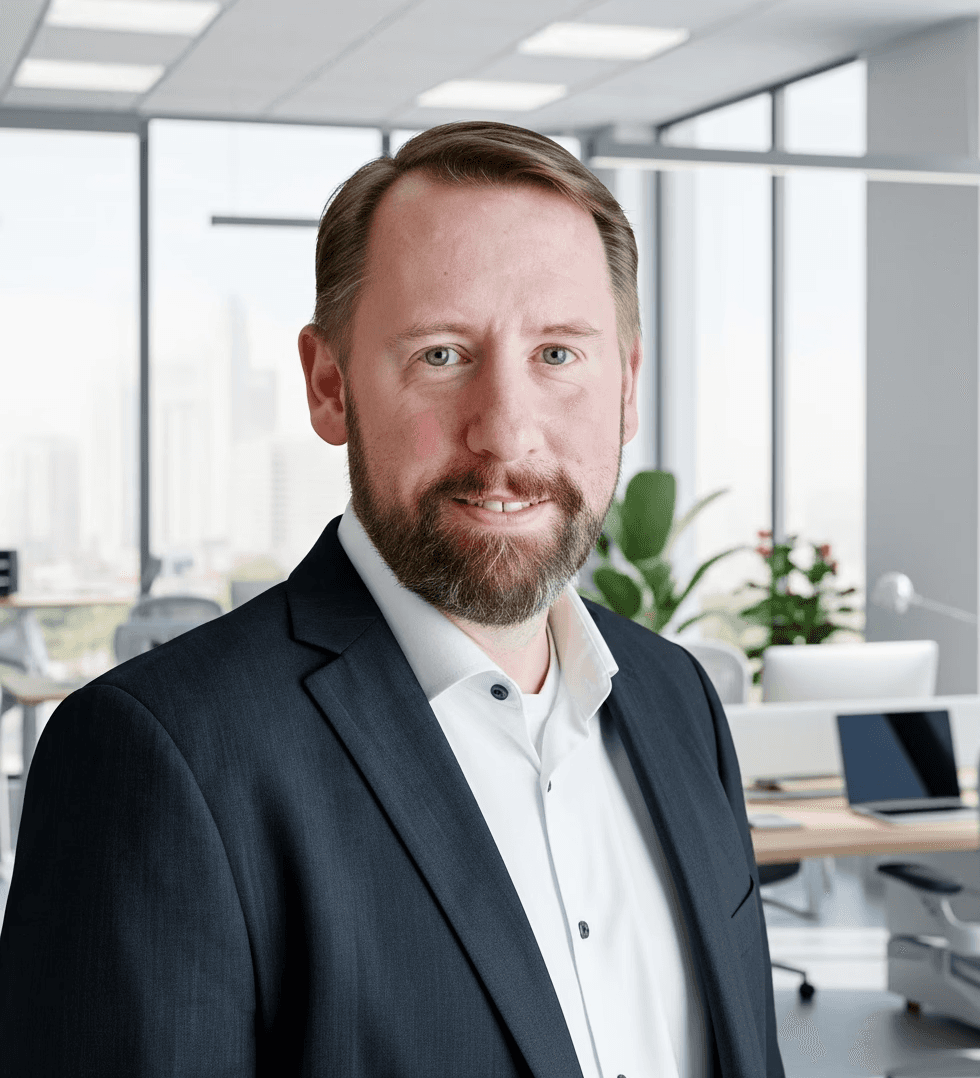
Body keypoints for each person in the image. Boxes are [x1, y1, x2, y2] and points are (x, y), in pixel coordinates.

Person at [0, 122, 783, 1077]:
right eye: (442, 355)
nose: (505, 433)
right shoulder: (162, 759)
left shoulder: (679, 702)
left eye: (559, 355)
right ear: (329, 386)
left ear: (626, 386)